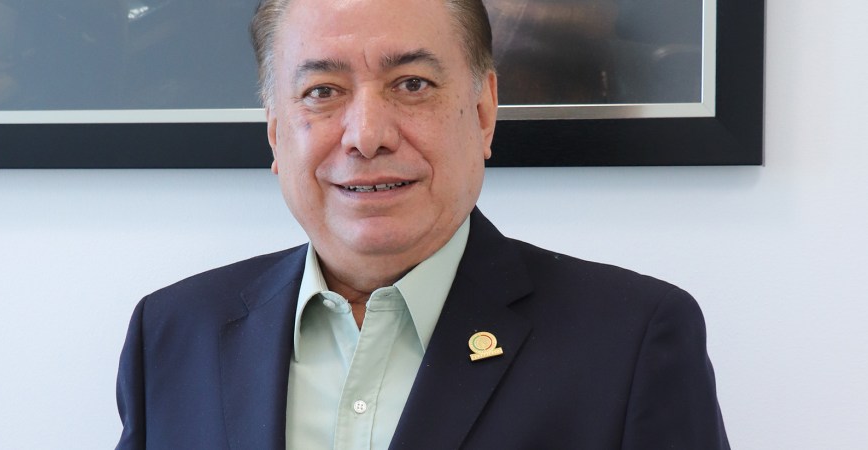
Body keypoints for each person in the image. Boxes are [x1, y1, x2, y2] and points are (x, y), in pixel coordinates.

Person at [115, 0, 729, 448]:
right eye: (322, 91)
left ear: (483, 112)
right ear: (275, 132)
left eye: (412, 84)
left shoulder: (629, 340)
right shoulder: (172, 333)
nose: (367, 136)